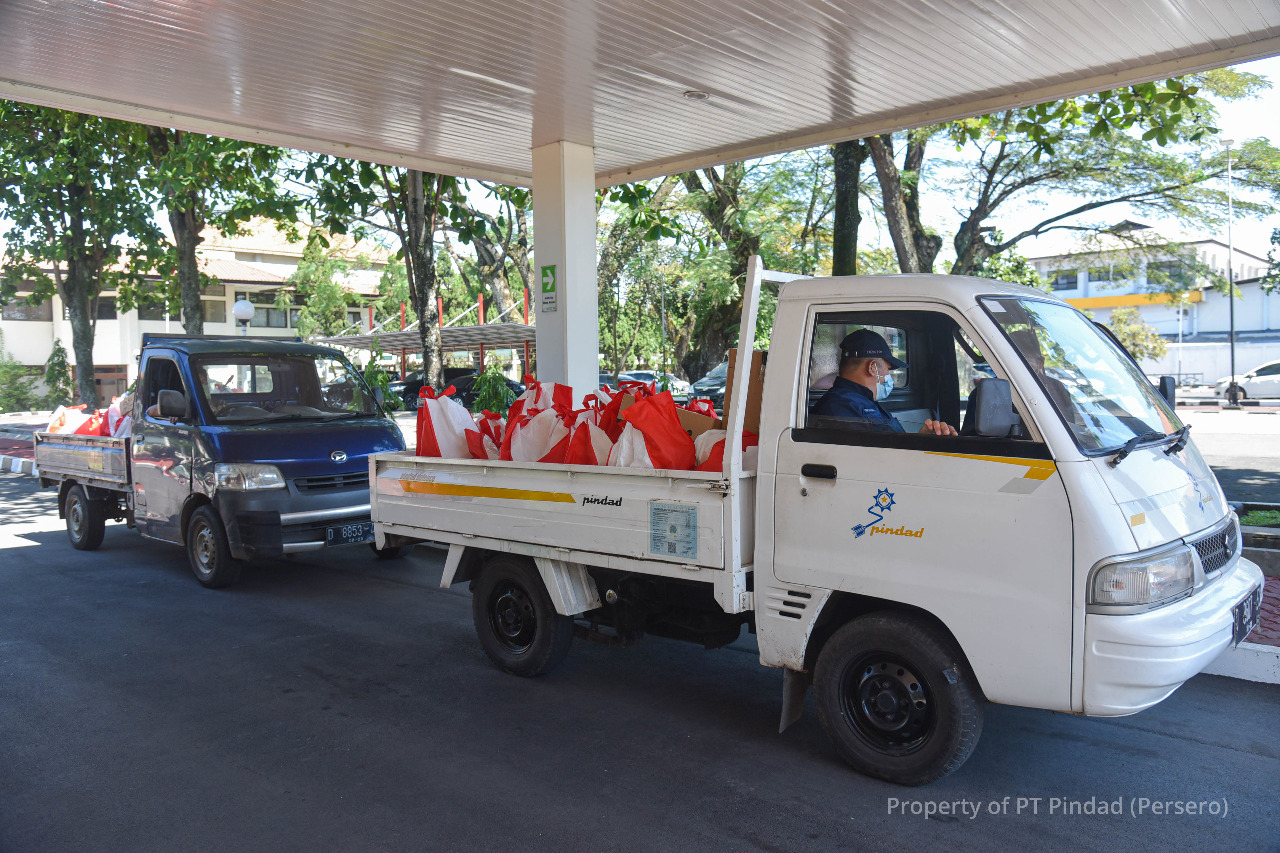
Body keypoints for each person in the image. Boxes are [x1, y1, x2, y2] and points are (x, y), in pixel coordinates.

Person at [813, 328, 957, 435]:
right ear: (872, 367)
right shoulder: (847, 410)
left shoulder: (851, 403)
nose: (888, 376)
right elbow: (883, 458)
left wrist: (921, 438)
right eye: (888, 369)